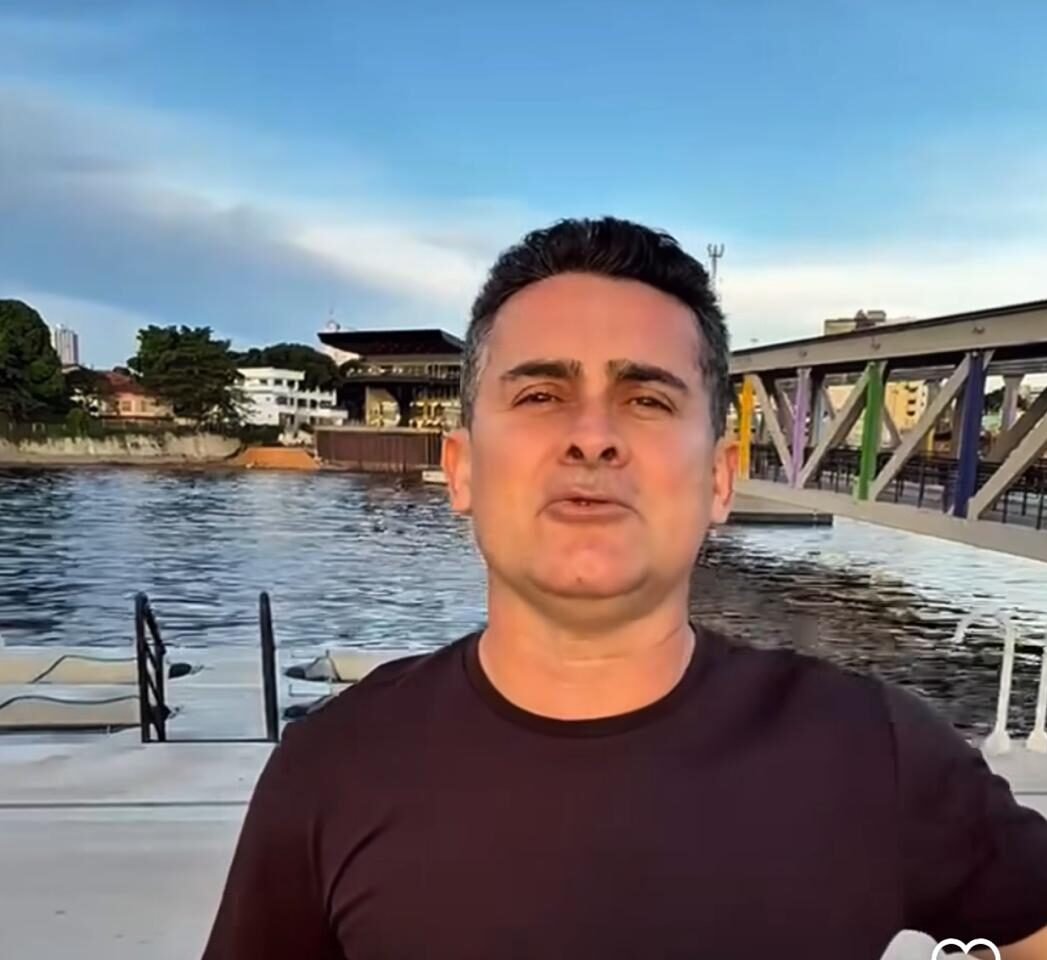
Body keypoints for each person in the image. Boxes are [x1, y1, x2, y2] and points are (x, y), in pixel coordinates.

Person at [203, 217, 1047, 959]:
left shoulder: (871, 747)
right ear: (460, 469)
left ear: (718, 480)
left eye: (646, 399)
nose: (592, 437)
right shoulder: (333, 765)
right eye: (541, 394)